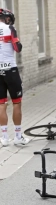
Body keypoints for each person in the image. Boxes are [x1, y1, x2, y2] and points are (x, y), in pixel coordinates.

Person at [0, 9, 29, 147]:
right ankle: (18, 136)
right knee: (16, 102)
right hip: (10, 70)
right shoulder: (10, 28)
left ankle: (4, 138)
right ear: (6, 18)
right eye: (9, 19)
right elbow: (18, 48)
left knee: (1, 104)